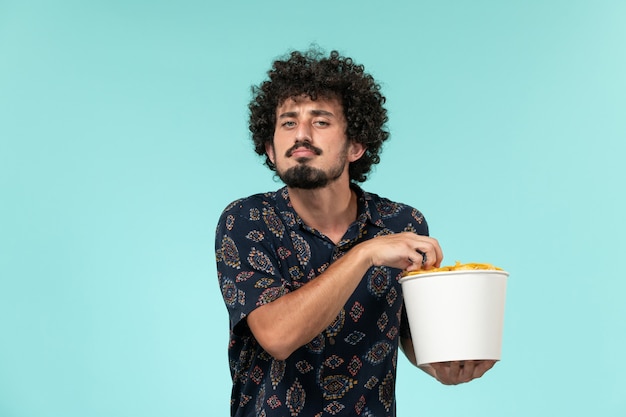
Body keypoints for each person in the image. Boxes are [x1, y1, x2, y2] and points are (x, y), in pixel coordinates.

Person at [215, 48, 495, 417]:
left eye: (320, 121)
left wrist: (451, 363)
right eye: (287, 123)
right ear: (270, 149)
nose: (300, 134)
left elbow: (417, 341)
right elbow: (277, 336)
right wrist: (365, 254)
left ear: (356, 145)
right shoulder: (246, 220)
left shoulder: (401, 224)